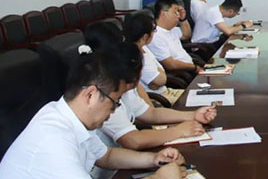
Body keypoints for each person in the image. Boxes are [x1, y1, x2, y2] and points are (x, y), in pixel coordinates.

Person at [0, 47, 187, 179]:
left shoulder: (69, 117)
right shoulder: (53, 140)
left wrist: (154, 159)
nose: (113, 111)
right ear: (90, 95)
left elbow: (106, 156)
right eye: (114, 103)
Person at [97, 41, 218, 151]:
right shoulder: (104, 97)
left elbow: (151, 114)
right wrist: (179, 131)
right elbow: (133, 140)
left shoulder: (124, 88)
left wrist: (193, 115)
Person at [124, 13, 184, 105]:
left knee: (197, 95)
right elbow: (159, 80)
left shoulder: (144, 47)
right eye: (153, 30)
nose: (154, 33)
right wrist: (160, 73)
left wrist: (160, 74)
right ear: (145, 36)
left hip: (166, 91)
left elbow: (160, 76)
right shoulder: (135, 55)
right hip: (157, 98)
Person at [147, 0, 199, 74]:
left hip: (189, 67)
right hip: (181, 73)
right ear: (163, 14)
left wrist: (183, 19)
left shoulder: (171, 29)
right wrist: (194, 68)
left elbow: (186, 35)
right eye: (175, 12)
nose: (178, 15)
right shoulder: (155, 35)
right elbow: (170, 65)